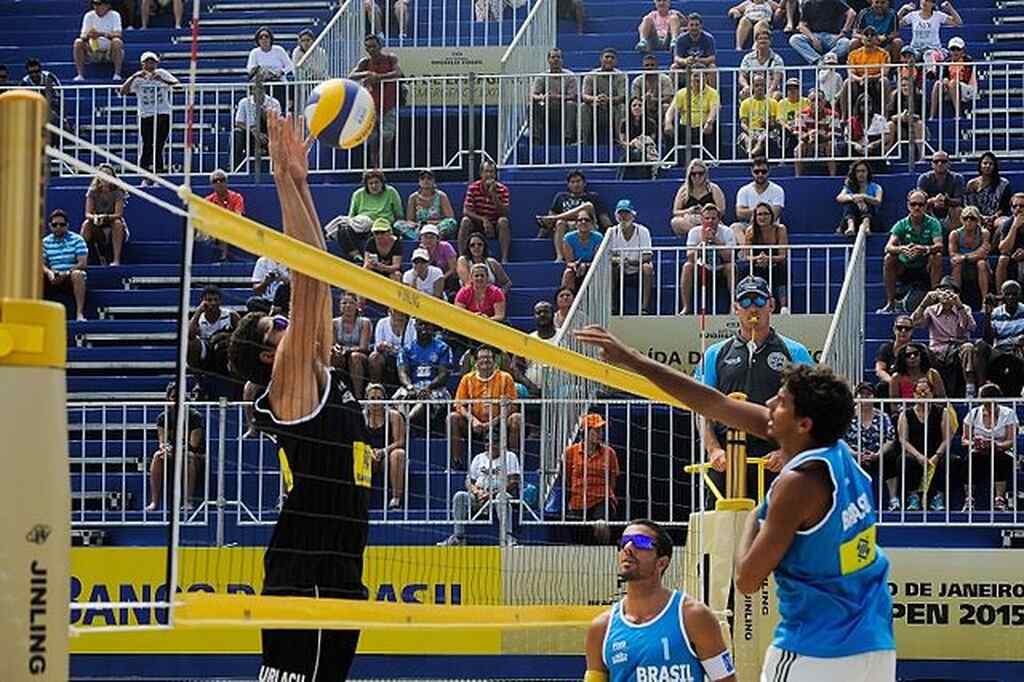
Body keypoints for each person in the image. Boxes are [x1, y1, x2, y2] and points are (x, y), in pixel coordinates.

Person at [573, 330, 895, 682]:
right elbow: (714, 404)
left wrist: (756, 515)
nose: (770, 403)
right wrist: (632, 360)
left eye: (782, 401)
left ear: (803, 424)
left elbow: (746, 579)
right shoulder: (840, 456)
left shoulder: (797, 484)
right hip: (875, 645)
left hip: (815, 650)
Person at [227, 113, 371, 681]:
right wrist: (284, 181)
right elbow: (307, 276)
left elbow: (322, 280)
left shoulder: (316, 369)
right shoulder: (288, 384)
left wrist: (300, 182)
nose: (285, 323)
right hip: (306, 571)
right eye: (275, 326)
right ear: (269, 356)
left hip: (338, 565)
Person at [696, 276, 814, 499]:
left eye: (759, 301)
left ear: (771, 304)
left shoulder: (794, 352)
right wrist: (713, 449)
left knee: (776, 529)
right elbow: (701, 409)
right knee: (724, 528)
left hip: (774, 459)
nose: (753, 308)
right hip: (726, 458)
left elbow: (811, 408)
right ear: (735, 308)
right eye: (746, 302)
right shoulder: (715, 353)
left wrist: (787, 451)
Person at [584, 519, 736, 681]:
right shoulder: (601, 628)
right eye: (624, 542)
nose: (628, 548)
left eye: (640, 542)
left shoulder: (693, 617)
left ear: (661, 563)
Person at [437, 428, 522, 546]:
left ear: (502, 442)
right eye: (487, 441)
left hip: (499, 495)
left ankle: (507, 536)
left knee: (502, 497)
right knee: (459, 496)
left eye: (494, 441)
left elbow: (514, 482)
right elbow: (469, 481)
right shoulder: (479, 458)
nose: (490, 444)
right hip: (480, 496)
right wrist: (476, 491)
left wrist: (492, 494)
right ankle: (459, 537)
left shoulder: (510, 456)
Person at [448, 345, 522, 466]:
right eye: (481, 358)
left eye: (488, 357)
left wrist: (492, 423)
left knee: (516, 418)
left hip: (499, 423)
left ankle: (513, 462)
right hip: (474, 426)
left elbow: (512, 406)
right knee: (452, 418)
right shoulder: (467, 379)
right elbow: (459, 404)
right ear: (476, 362)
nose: (485, 360)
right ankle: (456, 462)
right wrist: (473, 420)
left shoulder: (505, 378)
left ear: (494, 361)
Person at [908, 275, 976, 398]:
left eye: (949, 291)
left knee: (968, 348)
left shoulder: (964, 308)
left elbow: (969, 327)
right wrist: (924, 303)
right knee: (921, 352)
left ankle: (970, 388)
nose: (945, 294)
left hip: (958, 347)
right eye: (942, 290)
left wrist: (959, 305)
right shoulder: (931, 310)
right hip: (937, 349)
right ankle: (924, 388)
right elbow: (913, 323)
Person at [878, 189, 944, 314]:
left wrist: (924, 249)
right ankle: (890, 303)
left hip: (925, 267)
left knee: (937, 256)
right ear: (908, 205)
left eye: (920, 204)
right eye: (913, 204)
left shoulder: (933, 223)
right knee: (889, 258)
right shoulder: (901, 224)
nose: (917, 207)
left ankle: (936, 301)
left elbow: (939, 245)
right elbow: (888, 247)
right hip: (905, 267)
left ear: (926, 206)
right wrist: (901, 249)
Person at [895, 376, 953, 511]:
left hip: (936, 452)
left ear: (932, 394)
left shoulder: (942, 412)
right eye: (919, 392)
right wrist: (918, 456)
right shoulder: (906, 414)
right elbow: (903, 439)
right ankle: (913, 496)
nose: (923, 395)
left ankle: (938, 497)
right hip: (915, 453)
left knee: (951, 461)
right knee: (904, 461)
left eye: (926, 392)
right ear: (914, 395)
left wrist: (937, 456)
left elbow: (947, 438)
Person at [145, 380, 204, 511]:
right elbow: (162, 441)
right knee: (157, 456)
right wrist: (165, 448)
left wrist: (176, 450)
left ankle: (188, 501)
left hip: (196, 455)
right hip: (174, 453)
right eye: (173, 397)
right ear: (168, 399)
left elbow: (193, 444)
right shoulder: (162, 418)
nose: (176, 401)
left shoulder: (194, 416)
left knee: (188, 457)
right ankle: (154, 501)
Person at [563, 413, 620, 544]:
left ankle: (604, 552)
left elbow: (612, 480)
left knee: (601, 526)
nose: (600, 434)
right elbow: (567, 477)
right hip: (578, 499)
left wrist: (606, 494)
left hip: (601, 498)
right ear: (586, 432)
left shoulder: (609, 453)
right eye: (596, 430)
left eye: (601, 430)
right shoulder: (571, 452)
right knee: (577, 533)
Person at [120, 52, 178, 180]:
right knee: (147, 144)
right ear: (142, 64)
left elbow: (178, 86)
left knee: (159, 144)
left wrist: (162, 80)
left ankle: (159, 173)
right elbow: (123, 91)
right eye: (147, 62)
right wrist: (134, 77)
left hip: (163, 113)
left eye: (152, 62)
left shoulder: (162, 73)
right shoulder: (138, 77)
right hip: (146, 114)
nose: (150, 64)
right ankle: (144, 174)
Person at [961, 383, 1018, 511]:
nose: (987, 406)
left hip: (1001, 451)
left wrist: (995, 445)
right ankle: (969, 499)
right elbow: (964, 439)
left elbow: (1011, 440)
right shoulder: (973, 413)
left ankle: (999, 500)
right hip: (978, 451)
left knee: (1000, 460)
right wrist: (976, 443)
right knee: (969, 460)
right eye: (984, 402)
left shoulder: (1008, 413)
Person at [844, 382, 900, 510]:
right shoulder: (847, 416)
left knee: (891, 458)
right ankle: (849, 502)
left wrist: (879, 453)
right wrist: (855, 453)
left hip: (877, 454)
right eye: (861, 394)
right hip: (854, 454)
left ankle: (893, 499)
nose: (865, 397)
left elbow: (890, 439)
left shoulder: (882, 416)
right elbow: (841, 440)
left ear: (874, 397)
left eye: (868, 394)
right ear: (856, 397)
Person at [349, 34, 402, 167]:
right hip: (370, 107)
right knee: (372, 141)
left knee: (386, 138)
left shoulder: (390, 59)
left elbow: (397, 73)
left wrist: (378, 77)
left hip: (388, 105)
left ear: (380, 46)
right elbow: (351, 75)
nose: (371, 49)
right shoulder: (365, 63)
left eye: (373, 46)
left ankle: (384, 167)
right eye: (367, 47)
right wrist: (366, 74)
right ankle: (375, 168)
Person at [537, 169, 612, 263]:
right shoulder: (561, 197)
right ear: (568, 185)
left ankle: (559, 219)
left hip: (588, 226)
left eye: (578, 181)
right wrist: (539, 237)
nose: (576, 184)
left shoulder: (593, 197)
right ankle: (560, 257)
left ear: (584, 183)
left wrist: (612, 232)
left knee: (587, 206)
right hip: (568, 229)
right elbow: (549, 221)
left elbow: (605, 220)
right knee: (560, 222)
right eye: (572, 182)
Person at [680, 204, 738, 315]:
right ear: (701, 219)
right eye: (707, 218)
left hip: (722, 268)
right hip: (703, 268)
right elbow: (690, 257)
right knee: (687, 266)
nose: (710, 221)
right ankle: (686, 307)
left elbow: (730, 257)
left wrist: (715, 240)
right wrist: (704, 243)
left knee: (731, 267)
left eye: (713, 218)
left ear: (719, 219)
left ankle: (733, 306)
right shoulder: (694, 232)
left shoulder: (727, 232)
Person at [970, 280, 1024, 393]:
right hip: (999, 350)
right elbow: (988, 340)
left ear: (1020, 295)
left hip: (1019, 349)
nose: (1011, 297)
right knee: (980, 345)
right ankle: (982, 388)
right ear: (1002, 296)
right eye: (1007, 294)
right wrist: (988, 315)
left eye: (1014, 294)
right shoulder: (995, 313)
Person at [394, 319, 453, 424]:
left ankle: (406, 422)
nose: (424, 328)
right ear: (415, 326)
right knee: (398, 396)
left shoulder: (443, 348)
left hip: (435, 387)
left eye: (428, 325)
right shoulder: (407, 349)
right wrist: (410, 387)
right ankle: (403, 421)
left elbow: (444, 374)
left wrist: (428, 388)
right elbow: (402, 372)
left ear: (433, 327)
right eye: (421, 324)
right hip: (413, 385)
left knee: (426, 399)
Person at [363, 383, 407, 510]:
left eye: (379, 398)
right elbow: (357, 440)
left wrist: (383, 451)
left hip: (388, 455)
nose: (376, 402)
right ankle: (360, 500)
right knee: (360, 455)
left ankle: (396, 499)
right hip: (369, 454)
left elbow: (400, 441)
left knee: (398, 454)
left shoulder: (394, 416)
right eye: (372, 398)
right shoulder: (361, 416)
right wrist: (370, 452)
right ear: (366, 400)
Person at [606, 199, 654, 314]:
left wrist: (632, 262)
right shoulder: (612, 232)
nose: (623, 217)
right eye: (620, 213)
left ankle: (644, 308)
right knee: (612, 268)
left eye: (626, 213)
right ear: (616, 216)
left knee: (648, 268)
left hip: (638, 269)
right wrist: (619, 261)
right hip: (619, 269)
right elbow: (608, 256)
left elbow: (647, 256)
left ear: (633, 215)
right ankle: (611, 306)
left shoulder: (643, 231)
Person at [741, 203, 790, 312]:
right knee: (744, 270)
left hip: (775, 263)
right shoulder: (750, 231)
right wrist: (758, 258)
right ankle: (745, 304)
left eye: (765, 214)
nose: (762, 217)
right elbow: (746, 256)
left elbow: (783, 255)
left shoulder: (780, 230)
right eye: (759, 214)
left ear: (771, 216)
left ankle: (784, 307)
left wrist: (768, 259)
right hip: (757, 263)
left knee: (781, 270)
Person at [460, 161, 512, 262]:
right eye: (486, 172)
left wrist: (493, 195)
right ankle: (462, 258)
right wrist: (483, 220)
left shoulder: (502, 189)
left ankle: (504, 258)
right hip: (477, 223)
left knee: (503, 221)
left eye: (492, 172)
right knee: (465, 221)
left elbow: (504, 212)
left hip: (494, 223)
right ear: (481, 174)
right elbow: (466, 211)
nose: (489, 175)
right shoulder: (473, 188)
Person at [42, 209, 88, 321]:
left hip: (70, 275)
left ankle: (79, 314)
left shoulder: (77, 239)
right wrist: (49, 273)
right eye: (55, 224)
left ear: (67, 225)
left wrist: (66, 273)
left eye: (62, 224)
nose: (58, 227)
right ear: (50, 226)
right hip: (53, 276)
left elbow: (82, 263)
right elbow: (41, 264)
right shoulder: (45, 242)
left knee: (78, 274)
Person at [663, 69, 719, 161]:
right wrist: (668, 122)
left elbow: (713, 111)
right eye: (695, 76)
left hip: (703, 126)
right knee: (667, 127)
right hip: (685, 126)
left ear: (706, 78)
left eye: (701, 76)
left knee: (714, 127)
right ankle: (670, 160)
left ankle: (710, 160)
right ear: (689, 77)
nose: (698, 79)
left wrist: (709, 123)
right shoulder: (682, 92)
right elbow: (670, 111)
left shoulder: (713, 93)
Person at [188, 285, 240, 380]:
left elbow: (242, 336)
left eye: (216, 300)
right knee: (191, 344)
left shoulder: (231, 315)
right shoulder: (199, 318)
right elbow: (189, 335)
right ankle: (198, 381)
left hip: (225, 351)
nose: (213, 303)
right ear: (203, 301)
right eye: (209, 300)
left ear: (220, 301)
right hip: (207, 352)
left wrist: (227, 336)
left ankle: (234, 379)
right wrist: (198, 312)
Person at [81, 164, 128, 266]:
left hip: (112, 221)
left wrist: (105, 217)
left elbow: (118, 214)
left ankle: (116, 260)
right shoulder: (92, 192)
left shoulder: (118, 192)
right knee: (86, 224)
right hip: (97, 222)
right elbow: (87, 213)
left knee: (117, 224)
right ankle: (81, 259)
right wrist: (95, 218)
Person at [529, 48, 578, 145]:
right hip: (547, 109)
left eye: (558, 57)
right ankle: (537, 140)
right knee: (533, 105)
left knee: (571, 105)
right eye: (553, 57)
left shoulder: (570, 76)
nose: (556, 60)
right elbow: (533, 95)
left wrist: (557, 97)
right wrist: (543, 97)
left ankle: (568, 139)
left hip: (563, 109)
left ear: (562, 60)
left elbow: (573, 96)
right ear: (548, 60)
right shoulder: (542, 76)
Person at [580, 48, 628, 146]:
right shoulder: (590, 75)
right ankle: (584, 141)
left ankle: (621, 140)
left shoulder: (621, 76)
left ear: (616, 61)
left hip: (613, 108)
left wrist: (608, 100)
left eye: (612, 58)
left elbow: (622, 97)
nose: (609, 59)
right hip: (595, 109)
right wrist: (596, 99)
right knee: (584, 107)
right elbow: (584, 96)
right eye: (607, 57)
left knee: (622, 107)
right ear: (601, 59)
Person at [669, 159, 726, 237]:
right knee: (675, 222)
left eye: (700, 173)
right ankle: (702, 233)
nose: (697, 176)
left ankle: (706, 233)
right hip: (690, 220)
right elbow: (675, 212)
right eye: (693, 174)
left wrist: (706, 210)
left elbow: (721, 210)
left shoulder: (713, 188)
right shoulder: (684, 190)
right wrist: (689, 210)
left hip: (709, 220)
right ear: (689, 175)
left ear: (705, 174)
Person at [332, 291, 372, 399]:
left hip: (360, 355)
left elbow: (364, 347)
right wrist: (338, 349)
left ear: (357, 306)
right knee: (335, 356)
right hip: (342, 355)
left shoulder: (364, 322)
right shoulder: (334, 323)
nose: (348, 306)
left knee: (354, 357)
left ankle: (358, 396)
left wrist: (347, 350)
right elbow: (333, 344)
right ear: (340, 306)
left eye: (351, 303)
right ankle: (336, 393)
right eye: (344, 303)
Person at [788, 0, 856, 65]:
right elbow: (801, 26)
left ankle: (826, 59)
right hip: (814, 35)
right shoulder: (808, 3)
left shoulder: (835, 1)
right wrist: (813, 39)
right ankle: (818, 60)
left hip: (832, 36)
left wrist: (844, 31)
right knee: (794, 39)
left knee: (846, 42)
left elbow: (852, 13)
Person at [948, 205, 991, 304]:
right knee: (956, 264)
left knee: (981, 263)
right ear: (961, 219)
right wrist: (973, 256)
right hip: (962, 267)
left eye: (972, 218)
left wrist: (964, 257)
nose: (969, 221)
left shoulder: (984, 233)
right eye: (965, 218)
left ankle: (985, 301)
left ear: (978, 220)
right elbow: (953, 255)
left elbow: (983, 253)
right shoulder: (955, 234)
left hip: (978, 266)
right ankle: (955, 300)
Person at [843, 26, 890, 117]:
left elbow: (885, 72)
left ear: (876, 39)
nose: (869, 37)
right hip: (859, 82)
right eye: (866, 34)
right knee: (847, 82)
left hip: (876, 81)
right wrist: (860, 79)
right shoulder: (853, 54)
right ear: (861, 39)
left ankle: (886, 115)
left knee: (885, 81)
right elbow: (851, 72)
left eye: (872, 35)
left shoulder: (884, 54)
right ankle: (844, 117)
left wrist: (871, 77)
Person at [73, 0, 124, 82]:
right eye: (95, 4)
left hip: (109, 52)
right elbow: (82, 35)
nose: (96, 7)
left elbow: (118, 34)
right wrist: (89, 35)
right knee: (78, 42)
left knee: (117, 42)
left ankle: (117, 74)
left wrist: (102, 34)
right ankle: (80, 74)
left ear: (107, 5)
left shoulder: (115, 15)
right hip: (93, 50)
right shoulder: (89, 15)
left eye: (99, 4)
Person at [897, 0, 962, 64]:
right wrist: (903, 10)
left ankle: (930, 73)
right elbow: (895, 24)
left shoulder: (938, 16)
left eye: (928, 1)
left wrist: (950, 9)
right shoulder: (913, 15)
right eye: (923, 0)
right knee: (907, 53)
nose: (924, 2)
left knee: (928, 55)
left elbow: (958, 22)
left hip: (933, 50)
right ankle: (907, 74)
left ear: (933, 4)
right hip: (916, 49)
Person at [964, 152, 1013, 236]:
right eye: (985, 163)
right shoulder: (971, 184)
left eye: (991, 164)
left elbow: (1005, 206)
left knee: (1005, 223)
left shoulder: (1003, 184)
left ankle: (996, 248)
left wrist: (993, 217)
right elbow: (969, 205)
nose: (987, 166)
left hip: (997, 217)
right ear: (980, 165)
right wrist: (981, 217)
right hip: (975, 217)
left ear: (995, 166)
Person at [399, 169, 457, 240]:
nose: (426, 181)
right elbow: (410, 220)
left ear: (433, 181)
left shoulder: (441, 196)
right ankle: (421, 237)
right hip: (419, 228)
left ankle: (434, 236)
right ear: (419, 182)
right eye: (422, 178)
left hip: (437, 226)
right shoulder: (413, 197)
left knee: (451, 223)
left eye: (429, 178)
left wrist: (430, 223)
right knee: (398, 224)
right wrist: (419, 225)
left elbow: (450, 218)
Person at [233, 85, 282, 169]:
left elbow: (278, 123)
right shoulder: (244, 102)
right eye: (256, 89)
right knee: (237, 133)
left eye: (261, 89)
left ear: (264, 90)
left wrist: (266, 115)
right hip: (250, 132)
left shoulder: (274, 102)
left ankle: (278, 168)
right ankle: (234, 167)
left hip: (269, 131)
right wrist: (253, 130)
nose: (258, 92)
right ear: (252, 91)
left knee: (279, 133)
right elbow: (238, 122)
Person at [916, 150, 965, 232]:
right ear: (932, 164)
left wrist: (947, 200)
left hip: (950, 213)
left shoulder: (957, 178)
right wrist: (933, 200)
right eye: (936, 161)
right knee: (918, 210)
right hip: (931, 212)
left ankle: (953, 240)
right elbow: (919, 200)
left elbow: (959, 200)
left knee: (958, 210)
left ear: (949, 164)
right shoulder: (924, 178)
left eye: (943, 161)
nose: (939, 164)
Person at [794, 90, 839, 177]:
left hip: (825, 144)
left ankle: (832, 176)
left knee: (830, 146)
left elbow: (834, 134)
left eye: (819, 100)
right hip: (808, 144)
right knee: (798, 148)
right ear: (808, 102)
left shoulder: (833, 115)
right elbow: (799, 135)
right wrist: (809, 135)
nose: (816, 103)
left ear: (824, 101)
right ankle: (797, 177)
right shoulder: (801, 115)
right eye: (813, 100)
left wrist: (821, 135)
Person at [247, 26, 293, 110]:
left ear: (271, 38)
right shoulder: (254, 53)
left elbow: (290, 66)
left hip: (279, 83)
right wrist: (261, 72)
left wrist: (281, 72)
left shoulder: (279, 50)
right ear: (258, 40)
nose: (264, 39)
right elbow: (250, 69)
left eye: (266, 36)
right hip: (262, 84)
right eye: (261, 37)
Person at [204, 169, 246, 261]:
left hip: (233, 226)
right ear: (212, 184)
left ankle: (223, 257)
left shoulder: (236, 197)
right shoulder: (208, 200)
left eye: (221, 180)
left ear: (226, 182)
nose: (219, 183)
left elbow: (238, 216)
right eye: (215, 181)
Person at [368, 307, 416, 388]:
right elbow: (377, 346)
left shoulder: (413, 324)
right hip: (387, 357)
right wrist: (383, 346)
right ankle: (375, 389)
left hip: (407, 357)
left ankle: (409, 387)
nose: (400, 312)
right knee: (374, 357)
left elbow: (414, 347)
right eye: (396, 309)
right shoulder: (382, 323)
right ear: (390, 311)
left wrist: (394, 349)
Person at [837, 159, 884, 236]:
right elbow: (839, 198)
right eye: (857, 171)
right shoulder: (850, 187)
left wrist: (863, 197)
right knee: (849, 204)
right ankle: (850, 227)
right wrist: (854, 197)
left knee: (868, 204)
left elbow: (878, 200)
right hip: (853, 219)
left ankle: (866, 226)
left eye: (863, 171)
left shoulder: (876, 187)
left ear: (867, 172)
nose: (860, 174)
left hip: (871, 220)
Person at [930, 37, 975, 118]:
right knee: (937, 84)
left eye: (958, 49)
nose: (955, 52)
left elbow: (965, 78)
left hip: (967, 88)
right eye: (952, 49)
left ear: (963, 50)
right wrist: (945, 80)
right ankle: (932, 116)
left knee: (953, 83)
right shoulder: (947, 62)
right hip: (952, 87)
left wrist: (950, 82)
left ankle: (958, 114)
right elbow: (943, 76)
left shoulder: (968, 61)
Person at [737, 75, 779, 160]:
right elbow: (743, 123)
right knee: (746, 138)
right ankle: (750, 152)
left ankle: (751, 154)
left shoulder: (773, 103)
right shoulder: (745, 103)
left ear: (765, 86)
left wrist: (767, 124)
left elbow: (773, 123)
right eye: (756, 85)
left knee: (763, 137)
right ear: (752, 87)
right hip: (751, 130)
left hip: (767, 131)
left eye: (762, 85)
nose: (759, 88)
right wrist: (750, 132)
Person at [738, 26, 786, 100]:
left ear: (770, 41)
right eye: (760, 39)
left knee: (777, 95)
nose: (763, 41)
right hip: (754, 89)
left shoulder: (777, 59)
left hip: (770, 89)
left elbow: (777, 78)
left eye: (765, 38)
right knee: (743, 94)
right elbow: (742, 76)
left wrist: (770, 90)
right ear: (756, 41)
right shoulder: (748, 58)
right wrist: (746, 86)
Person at [873, 314, 915, 396]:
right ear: (894, 329)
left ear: (911, 331)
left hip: (912, 384)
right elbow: (880, 370)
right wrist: (893, 383)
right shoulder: (886, 348)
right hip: (890, 383)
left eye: (907, 328)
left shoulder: (917, 349)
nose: (903, 331)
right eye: (899, 328)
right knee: (882, 387)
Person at [561, 213, 605, 291]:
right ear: (576, 224)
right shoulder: (568, 238)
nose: (583, 222)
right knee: (568, 273)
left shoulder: (598, 237)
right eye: (580, 220)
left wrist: (585, 266)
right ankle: (569, 298)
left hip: (593, 267)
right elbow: (569, 262)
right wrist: (576, 266)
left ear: (592, 223)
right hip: (576, 269)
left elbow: (598, 260)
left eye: (587, 220)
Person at [417, 224, 460, 297]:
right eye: (425, 237)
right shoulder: (420, 250)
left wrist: (441, 278)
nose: (428, 240)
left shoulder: (446, 246)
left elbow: (453, 268)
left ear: (437, 239)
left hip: (446, 276)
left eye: (431, 237)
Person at [630, 53, 675, 122]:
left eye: (652, 65)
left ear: (657, 66)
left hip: (659, 105)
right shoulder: (637, 81)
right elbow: (635, 99)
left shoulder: (665, 79)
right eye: (647, 65)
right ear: (643, 66)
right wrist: (645, 99)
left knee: (666, 106)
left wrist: (653, 100)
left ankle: (665, 129)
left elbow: (668, 98)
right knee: (636, 107)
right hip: (643, 105)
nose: (649, 67)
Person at [775, 78, 811, 158]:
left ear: (799, 89)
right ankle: (784, 158)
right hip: (788, 128)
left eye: (795, 88)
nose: (792, 90)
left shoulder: (806, 101)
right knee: (783, 133)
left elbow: (809, 116)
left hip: (803, 127)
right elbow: (779, 119)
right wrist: (788, 127)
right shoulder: (782, 103)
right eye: (790, 88)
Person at [21, 58, 63, 126]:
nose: (34, 74)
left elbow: (59, 96)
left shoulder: (48, 77)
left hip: (52, 106)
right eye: (31, 72)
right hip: (33, 109)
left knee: (53, 117)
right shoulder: (25, 82)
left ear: (40, 70)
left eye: (37, 71)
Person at [995, 193, 1024, 288]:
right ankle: (1001, 297)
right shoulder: (1008, 223)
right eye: (1015, 206)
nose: (1018, 209)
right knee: (1003, 259)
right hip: (1012, 259)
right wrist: (1014, 227)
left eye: (1022, 206)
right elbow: (1003, 249)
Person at [363, 218, 403, 282]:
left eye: (382, 232)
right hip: (375, 270)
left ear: (389, 232)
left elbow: (396, 266)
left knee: (396, 275)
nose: (379, 236)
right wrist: (372, 265)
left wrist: (383, 267)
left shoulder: (397, 244)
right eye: (376, 233)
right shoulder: (371, 242)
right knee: (365, 270)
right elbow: (366, 263)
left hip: (390, 271)